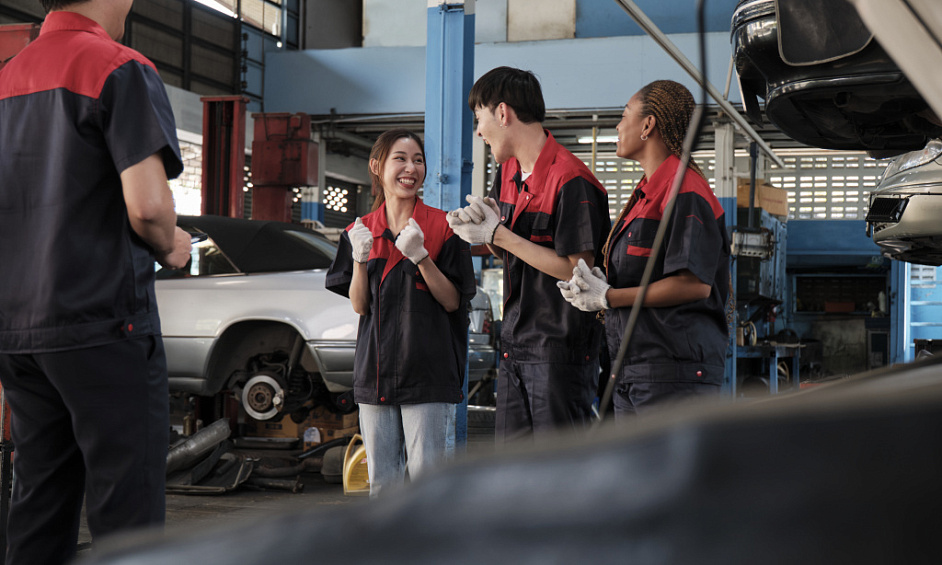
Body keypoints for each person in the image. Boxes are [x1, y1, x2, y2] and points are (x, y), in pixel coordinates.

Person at [0, 0, 191, 562]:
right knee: (125, 515)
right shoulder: (116, 67)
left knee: (38, 502)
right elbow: (150, 208)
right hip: (104, 326)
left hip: (17, 337)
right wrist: (171, 245)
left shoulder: (6, 79)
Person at [447, 66, 609, 442]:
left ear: (502, 114)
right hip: (516, 342)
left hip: (559, 350)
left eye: (478, 119)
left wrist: (498, 235)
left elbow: (577, 272)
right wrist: (473, 230)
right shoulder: (508, 173)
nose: (478, 132)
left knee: (559, 472)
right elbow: (504, 244)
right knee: (514, 470)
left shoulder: (572, 180)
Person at [558, 80, 730, 417]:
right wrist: (595, 283)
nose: (619, 126)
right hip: (634, 369)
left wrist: (608, 297)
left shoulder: (684, 190)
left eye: (624, 116)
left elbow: (693, 283)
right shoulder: (644, 195)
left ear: (648, 125)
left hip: (673, 372)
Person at [326, 129, 474, 497]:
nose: (411, 168)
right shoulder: (359, 232)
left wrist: (422, 256)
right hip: (375, 373)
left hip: (427, 373)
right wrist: (360, 260)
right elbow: (360, 305)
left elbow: (453, 301)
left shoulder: (444, 227)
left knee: (428, 485)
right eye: (401, 159)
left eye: (418, 160)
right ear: (377, 166)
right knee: (382, 486)